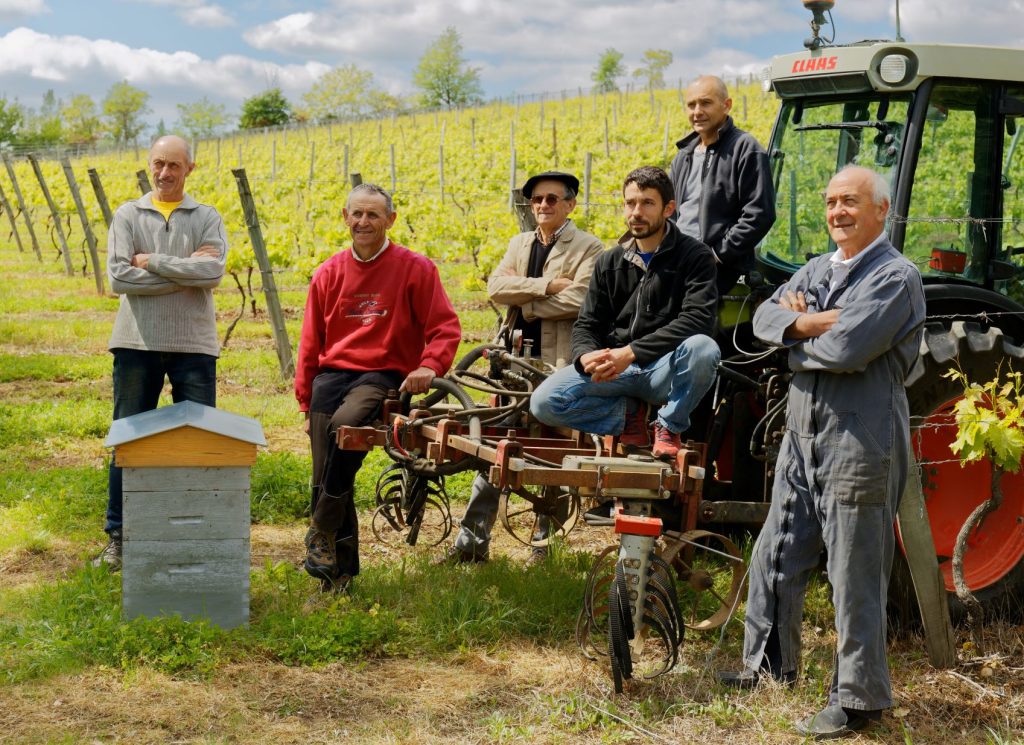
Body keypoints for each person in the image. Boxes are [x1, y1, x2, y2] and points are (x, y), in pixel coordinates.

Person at [719, 166, 926, 740]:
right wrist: (806, 323)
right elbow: (764, 318)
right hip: (802, 433)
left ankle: (859, 697)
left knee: (853, 570)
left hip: (859, 439)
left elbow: (847, 349)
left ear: (880, 210)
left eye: (851, 202)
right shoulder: (816, 268)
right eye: (832, 201)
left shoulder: (894, 277)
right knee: (777, 548)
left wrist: (797, 338)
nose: (838, 211)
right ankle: (769, 663)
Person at [296, 182, 461, 590]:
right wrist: (305, 402)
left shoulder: (416, 269)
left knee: (346, 427)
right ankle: (339, 576)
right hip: (330, 378)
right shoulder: (328, 273)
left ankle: (319, 526)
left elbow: (445, 328)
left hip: (385, 377)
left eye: (373, 215)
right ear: (345, 217)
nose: (363, 222)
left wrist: (428, 365)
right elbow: (310, 343)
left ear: (390, 219)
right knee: (327, 471)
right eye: (357, 214)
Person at [439, 171, 604, 566]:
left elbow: (581, 300)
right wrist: (547, 287)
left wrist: (523, 295)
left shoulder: (589, 247)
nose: (543, 206)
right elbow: (496, 287)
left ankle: (543, 550)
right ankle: (471, 544)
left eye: (551, 199)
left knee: (555, 452)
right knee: (494, 444)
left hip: (557, 364)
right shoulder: (520, 242)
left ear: (570, 204)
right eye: (536, 200)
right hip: (511, 361)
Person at [93, 135, 228, 569]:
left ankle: (191, 534)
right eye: (158, 164)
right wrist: (184, 272)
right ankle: (120, 536)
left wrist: (150, 262)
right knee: (129, 440)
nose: (165, 172)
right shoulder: (127, 214)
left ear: (190, 168)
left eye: (174, 165)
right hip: (136, 342)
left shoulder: (207, 216)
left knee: (197, 443)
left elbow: (213, 271)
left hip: (194, 344)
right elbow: (118, 278)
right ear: (149, 166)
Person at [530, 165, 720, 461]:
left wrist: (630, 352)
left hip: (664, 369)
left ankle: (669, 425)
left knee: (704, 348)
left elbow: (698, 320)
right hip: (615, 369)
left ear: (668, 208)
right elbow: (587, 323)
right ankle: (630, 414)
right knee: (544, 403)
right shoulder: (610, 261)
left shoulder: (695, 257)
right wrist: (585, 357)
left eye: (647, 203)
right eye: (630, 203)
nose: (636, 212)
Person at [669, 75, 775, 295]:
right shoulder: (683, 156)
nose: (697, 111)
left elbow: (759, 214)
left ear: (726, 105)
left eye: (705, 103)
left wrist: (717, 255)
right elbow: (670, 212)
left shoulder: (745, 149)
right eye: (691, 105)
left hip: (719, 272)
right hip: (678, 265)